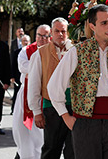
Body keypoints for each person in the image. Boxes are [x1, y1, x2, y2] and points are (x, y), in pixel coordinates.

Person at [47, 4, 108, 159]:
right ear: (92, 26)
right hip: (85, 124)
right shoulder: (78, 51)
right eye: (104, 23)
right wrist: (65, 116)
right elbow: (54, 85)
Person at [28, 18, 74, 159]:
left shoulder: (75, 50)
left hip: (74, 106)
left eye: (63, 31)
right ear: (51, 33)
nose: (60, 34)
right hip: (51, 107)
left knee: (73, 149)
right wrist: (36, 111)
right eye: (57, 31)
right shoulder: (40, 54)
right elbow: (34, 84)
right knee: (52, 148)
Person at [12, 29, 48, 159]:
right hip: (25, 93)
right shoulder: (26, 50)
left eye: (45, 36)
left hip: (43, 93)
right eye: (39, 35)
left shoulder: (52, 51)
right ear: (36, 36)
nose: (42, 38)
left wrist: (35, 70)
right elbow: (23, 67)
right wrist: (41, 69)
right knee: (20, 127)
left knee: (39, 133)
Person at [10, 34, 31, 115]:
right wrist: (12, 76)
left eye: (27, 41)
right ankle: (14, 109)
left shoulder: (33, 51)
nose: (25, 42)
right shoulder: (17, 52)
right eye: (24, 41)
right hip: (18, 77)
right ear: (21, 42)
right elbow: (13, 65)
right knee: (17, 94)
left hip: (29, 79)